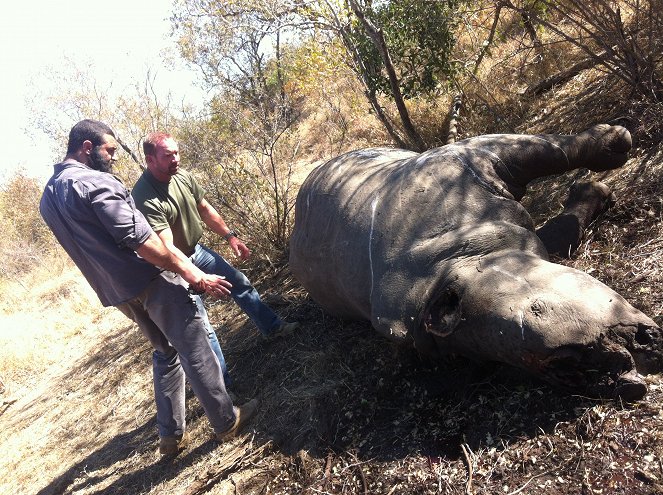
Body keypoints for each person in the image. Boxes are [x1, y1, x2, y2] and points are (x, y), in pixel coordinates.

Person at [39, 119, 257, 457]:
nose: (112, 157)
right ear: (86, 148)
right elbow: (142, 241)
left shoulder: (49, 196)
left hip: (118, 293)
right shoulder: (94, 182)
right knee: (194, 346)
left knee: (165, 353)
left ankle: (170, 438)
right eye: (108, 150)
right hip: (153, 280)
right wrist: (191, 272)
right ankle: (227, 423)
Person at [131, 132, 300, 354]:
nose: (176, 159)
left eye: (177, 152)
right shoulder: (144, 196)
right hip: (172, 267)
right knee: (203, 327)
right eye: (168, 155)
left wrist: (230, 236)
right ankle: (223, 388)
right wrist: (197, 276)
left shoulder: (182, 176)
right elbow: (167, 248)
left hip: (196, 251)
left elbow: (205, 209)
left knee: (240, 283)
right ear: (150, 160)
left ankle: (273, 328)